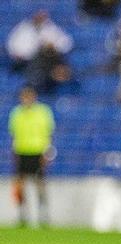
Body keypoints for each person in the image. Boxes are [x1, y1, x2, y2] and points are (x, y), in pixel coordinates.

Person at [8, 85, 54, 227]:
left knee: (40, 185)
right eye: (24, 96)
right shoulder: (16, 113)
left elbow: (48, 133)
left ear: (34, 96)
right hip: (22, 152)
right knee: (20, 185)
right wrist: (14, 152)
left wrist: (47, 152)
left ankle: (43, 214)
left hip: (37, 152)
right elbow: (14, 135)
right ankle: (22, 214)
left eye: (29, 96)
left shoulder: (43, 112)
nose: (27, 99)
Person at [6, 11, 73, 92]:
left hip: (49, 58)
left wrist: (52, 46)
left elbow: (66, 43)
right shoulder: (23, 29)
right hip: (26, 61)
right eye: (38, 16)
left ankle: (58, 79)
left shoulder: (51, 28)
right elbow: (13, 47)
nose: (40, 18)